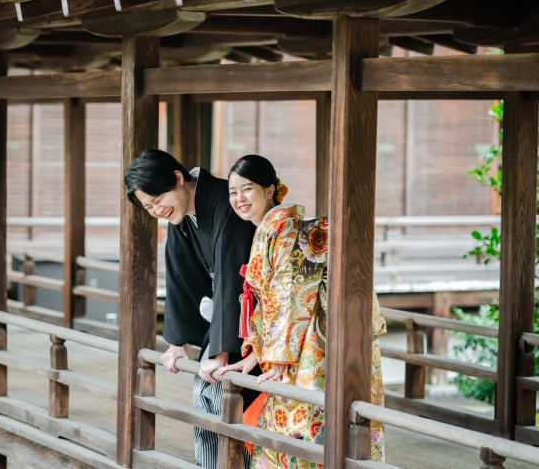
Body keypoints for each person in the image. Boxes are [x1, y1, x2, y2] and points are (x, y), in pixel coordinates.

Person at [216, 154, 386, 468]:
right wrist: (255, 354)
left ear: (270, 190)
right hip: (302, 338)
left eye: (247, 189)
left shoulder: (282, 225)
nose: (239, 198)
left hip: (313, 341)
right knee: (305, 422)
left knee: (307, 419)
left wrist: (278, 356)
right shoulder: (273, 226)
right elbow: (269, 303)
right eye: (232, 192)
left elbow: (287, 292)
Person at [124, 149, 257, 468]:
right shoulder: (181, 214)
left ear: (178, 178)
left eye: (158, 199)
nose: (157, 210)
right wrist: (176, 343)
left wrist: (221, 352)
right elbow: (180, 276)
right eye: (149, 207)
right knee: (205, 398)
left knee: (229, 399)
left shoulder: (225, 203)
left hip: (255, 314)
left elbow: (230, 276)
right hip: (230, 314)